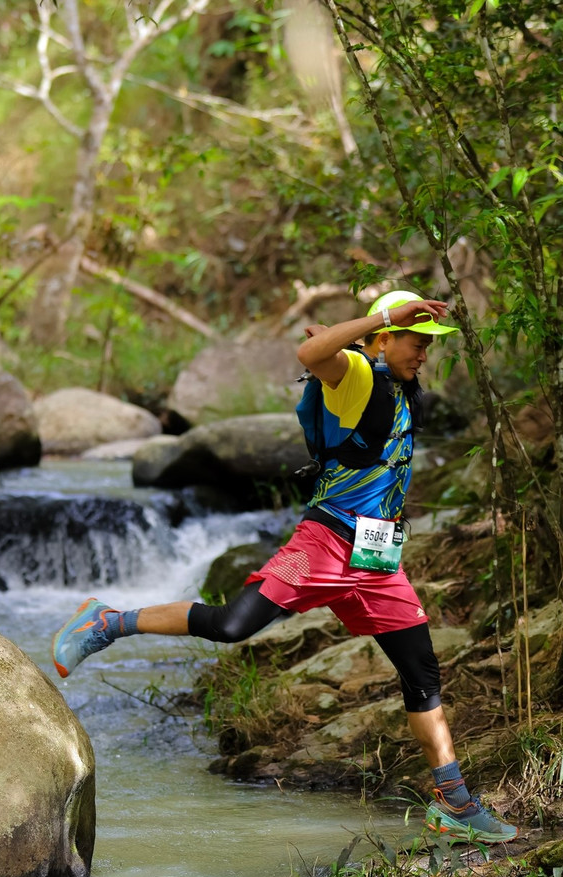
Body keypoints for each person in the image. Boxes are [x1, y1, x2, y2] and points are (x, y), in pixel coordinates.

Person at [51, 290, 518, 844]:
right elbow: (311, 355)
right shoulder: (358, 375)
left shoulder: (399, 391)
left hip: (376, 561)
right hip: (323, 544)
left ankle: (454, 802)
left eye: (427, 347)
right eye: (415, 343)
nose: (423, 354)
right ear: (384, 338)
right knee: (232, 625)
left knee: (421, 672)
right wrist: (382, 317)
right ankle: (109, 621)